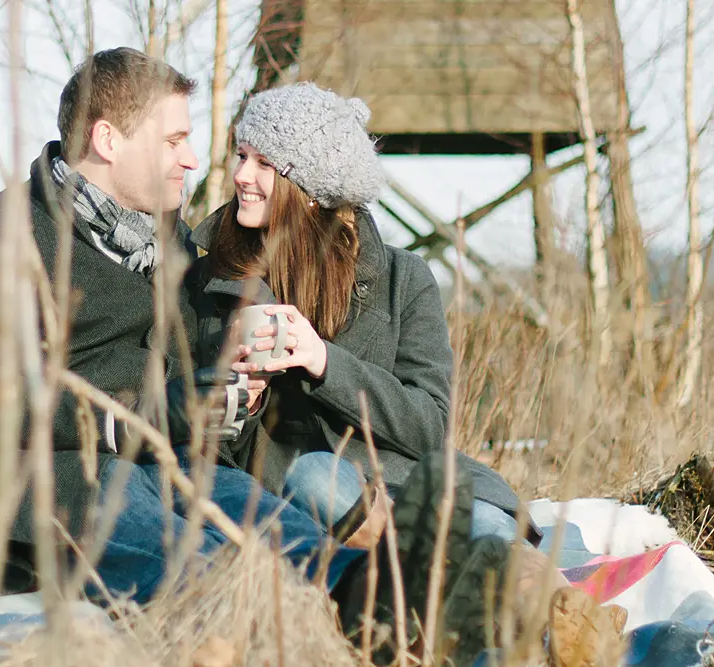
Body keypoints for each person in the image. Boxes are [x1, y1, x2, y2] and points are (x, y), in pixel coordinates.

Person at [0, 48, 521, 666]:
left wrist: (221, 397)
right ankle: (242, 607)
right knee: (134, 513)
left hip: (173, 463)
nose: (195, 160)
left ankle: (366, 592)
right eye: (174, 139)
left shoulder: (170, 243)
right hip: (52, 468)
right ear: (109, 140)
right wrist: (129, 415)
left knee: (245, 505)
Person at [187, 82, 543, 550]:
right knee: (317, 476)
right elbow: (203, 448)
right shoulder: (214, 277)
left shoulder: (404, 279)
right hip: (304, 494)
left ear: (309, 188)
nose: (240, 175)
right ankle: (422, 578)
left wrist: (324, 362)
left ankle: (551, 607)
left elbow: (430, 426)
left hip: (411, 480)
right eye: (241, 155)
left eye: (263, 163)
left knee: (491, 534)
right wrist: (244, 398)